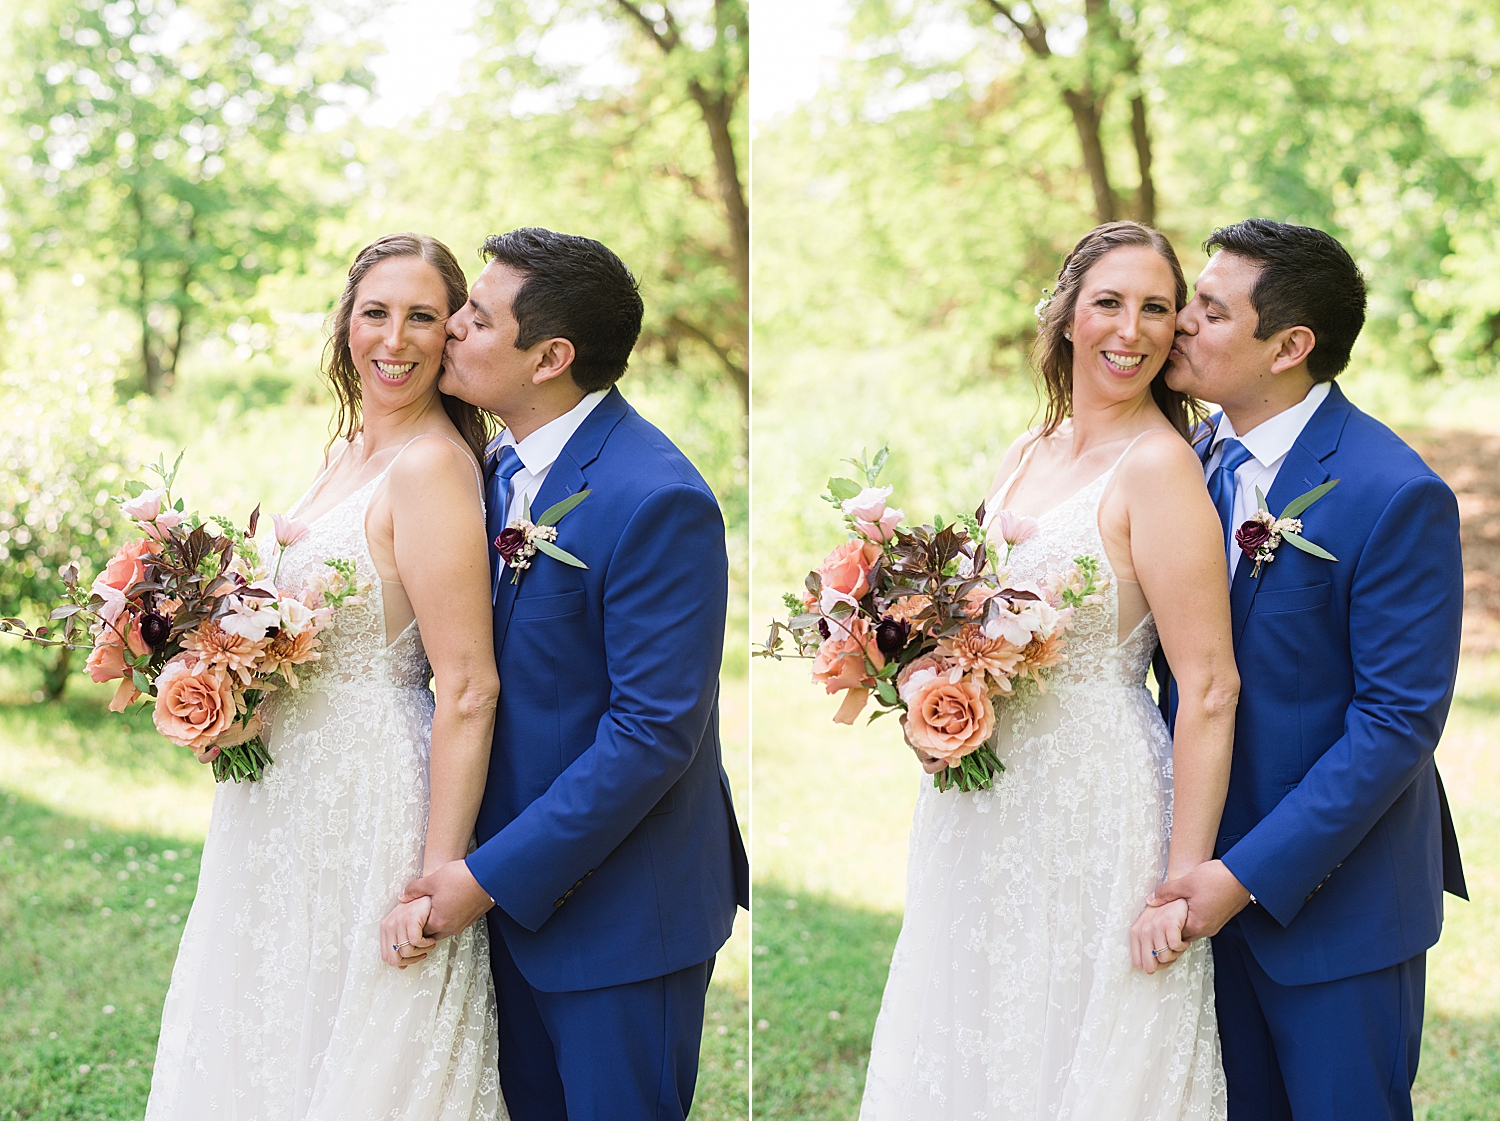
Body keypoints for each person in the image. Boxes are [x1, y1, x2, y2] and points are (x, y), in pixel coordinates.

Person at [859, 221, 1237, 1119]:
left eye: (1156, 308)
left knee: (1083, 1032)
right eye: (1108, 302)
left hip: (1098, 797)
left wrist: (1181, 883)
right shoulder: (1027, 450)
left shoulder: (1160, 469)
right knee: (980, 1018)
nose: (1131, 329)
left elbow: (1211, 687)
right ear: (1066, 316)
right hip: (982, 798)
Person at [147, 233, 506, 1119]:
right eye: (375, 312)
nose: (396, 338)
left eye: (423, 316)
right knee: (270, 1006)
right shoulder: (348, 447)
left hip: (370, 784)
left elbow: (467, 685)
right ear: (346, 322)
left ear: (452, 331)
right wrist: (226, 683)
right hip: (281, 784)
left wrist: (437, 872)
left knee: (357, 1022)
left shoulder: (429, 466)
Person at [401, 227, 749, 1121]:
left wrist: (482, 877)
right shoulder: (488, 467)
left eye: (476, 319)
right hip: (510, 911)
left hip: (623, 916)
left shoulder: (656, 497)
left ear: (550, 356)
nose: (451, 332)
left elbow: (651, 735)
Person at [1149, 219, 1467, 1121]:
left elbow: (1397, 723)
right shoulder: (1189, 460)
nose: (1181, 323)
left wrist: (1242, 873)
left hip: (1339, 908)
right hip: (1194, 885)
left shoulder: (1391, 492)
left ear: (1290, 346)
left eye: (1210, 312)